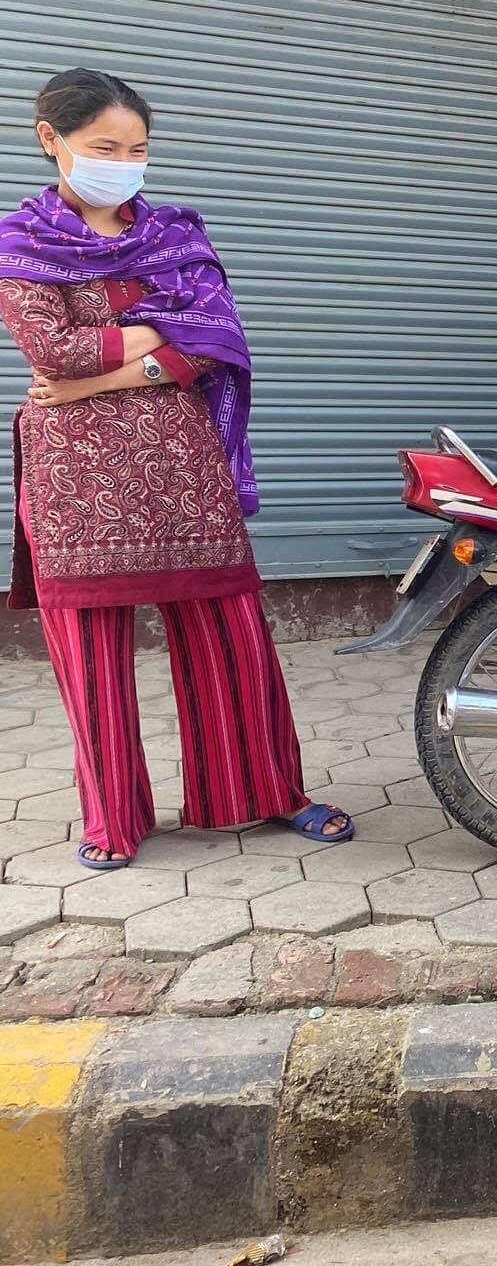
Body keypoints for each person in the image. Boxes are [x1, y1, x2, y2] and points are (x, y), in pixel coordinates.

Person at [0, 68, 350, 868]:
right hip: (77, 482)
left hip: (183, 465)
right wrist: (165, 329)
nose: (123, 161)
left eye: (138, 149)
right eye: (104, 147)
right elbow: (53, 350)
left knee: (231, 635)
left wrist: (113, 370)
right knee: (90, 653)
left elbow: (214, 341)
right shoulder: (19, 243)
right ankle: (113, 820)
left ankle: (261, 791)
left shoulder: (176, 236)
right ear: (50, 139)